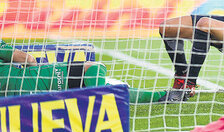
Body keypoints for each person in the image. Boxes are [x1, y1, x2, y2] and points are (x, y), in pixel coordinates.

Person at [0, 40, 166, 103]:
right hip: (41, 81)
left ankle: (162, 96)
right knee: (95, 68)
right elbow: (28, 60)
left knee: (109, 85)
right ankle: (98, 101)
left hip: (16, 103)